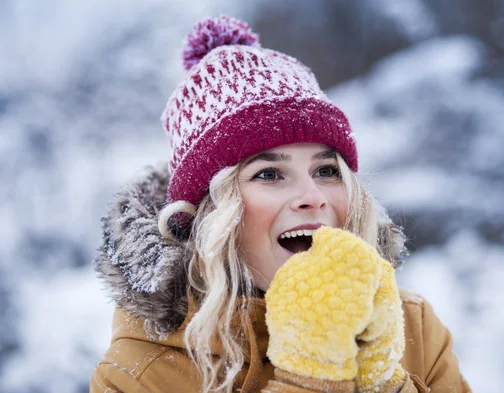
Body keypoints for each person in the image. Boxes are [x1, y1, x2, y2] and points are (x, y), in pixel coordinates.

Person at [90, 15, 471, 393]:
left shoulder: (413, 329)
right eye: (269, 174)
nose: (313, 196)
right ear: (207, 215)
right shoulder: (136, 374)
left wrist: (387, 385)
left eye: (326, 170)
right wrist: (311, 381)